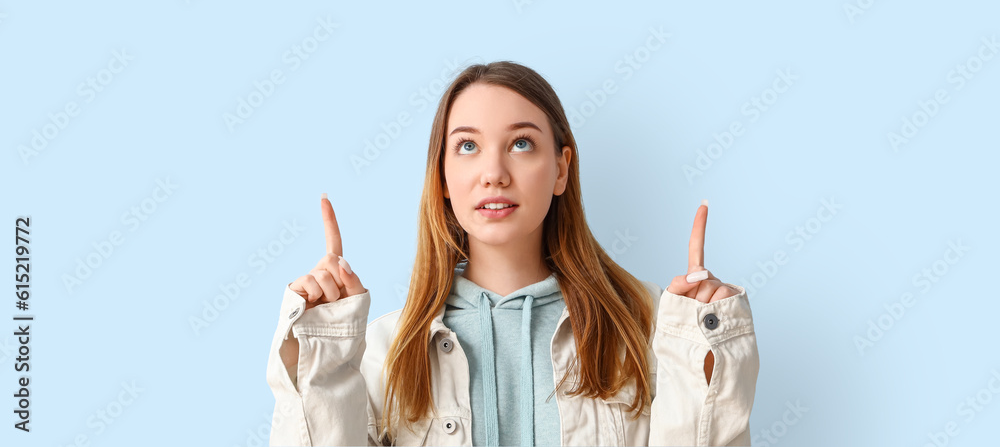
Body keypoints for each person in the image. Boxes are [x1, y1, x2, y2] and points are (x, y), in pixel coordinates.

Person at [265, 60, 759, 446]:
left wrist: (703, 347)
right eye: (467, 147)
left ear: (561, 169)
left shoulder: (649, 326)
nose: (494, 172)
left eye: (521, 143)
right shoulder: (386, 351)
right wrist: (323, 355)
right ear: (441, 179)